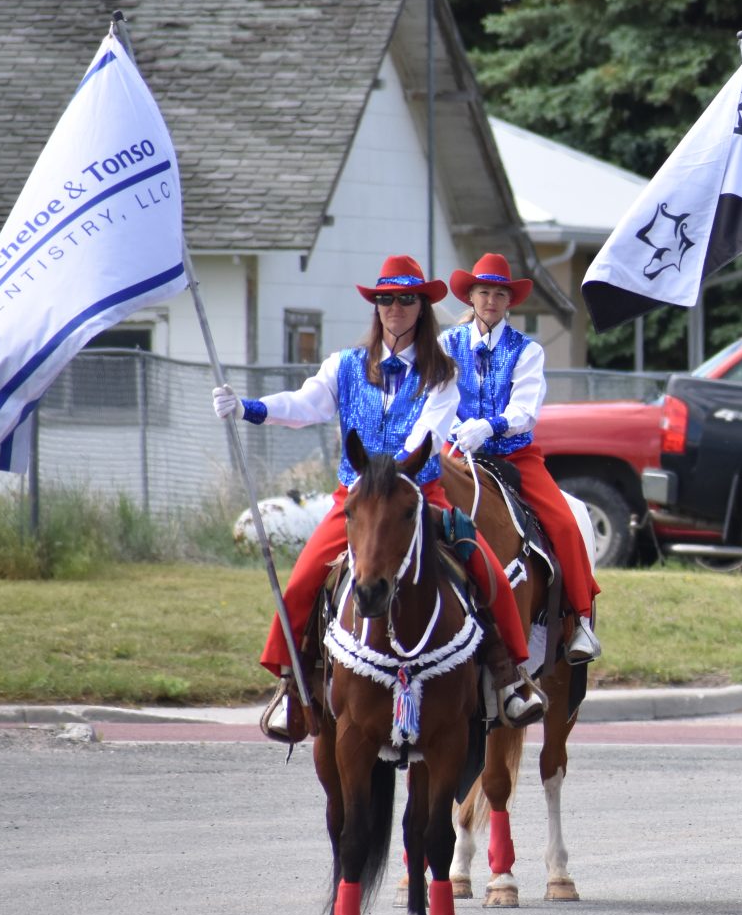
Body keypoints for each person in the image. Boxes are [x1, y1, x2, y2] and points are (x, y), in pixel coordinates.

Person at [213, 255, 546, 741]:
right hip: (359, 497)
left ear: (422, 307)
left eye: (407, 299)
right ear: (376, 306)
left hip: (420, 492)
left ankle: (510, 675)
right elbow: (307, 404)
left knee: (485, 565)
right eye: (386, 299)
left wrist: (392, 474)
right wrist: (249, 408)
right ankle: (293, 684)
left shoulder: (442, 371)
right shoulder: (344, 365)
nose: (396, 308)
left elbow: (429, 435)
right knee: (304, 579)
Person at [439, 252, 601, 664]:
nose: (490, 300)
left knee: (564, 524)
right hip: (455, 452)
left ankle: (579, 619)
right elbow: (434, 395)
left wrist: (490, 426)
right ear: (471, 297)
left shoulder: (527, 350)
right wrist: (450, 429)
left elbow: (526, 409)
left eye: (498, 293)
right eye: (483, 292)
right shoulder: (445, 345)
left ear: (509, 301)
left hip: (513, 453)